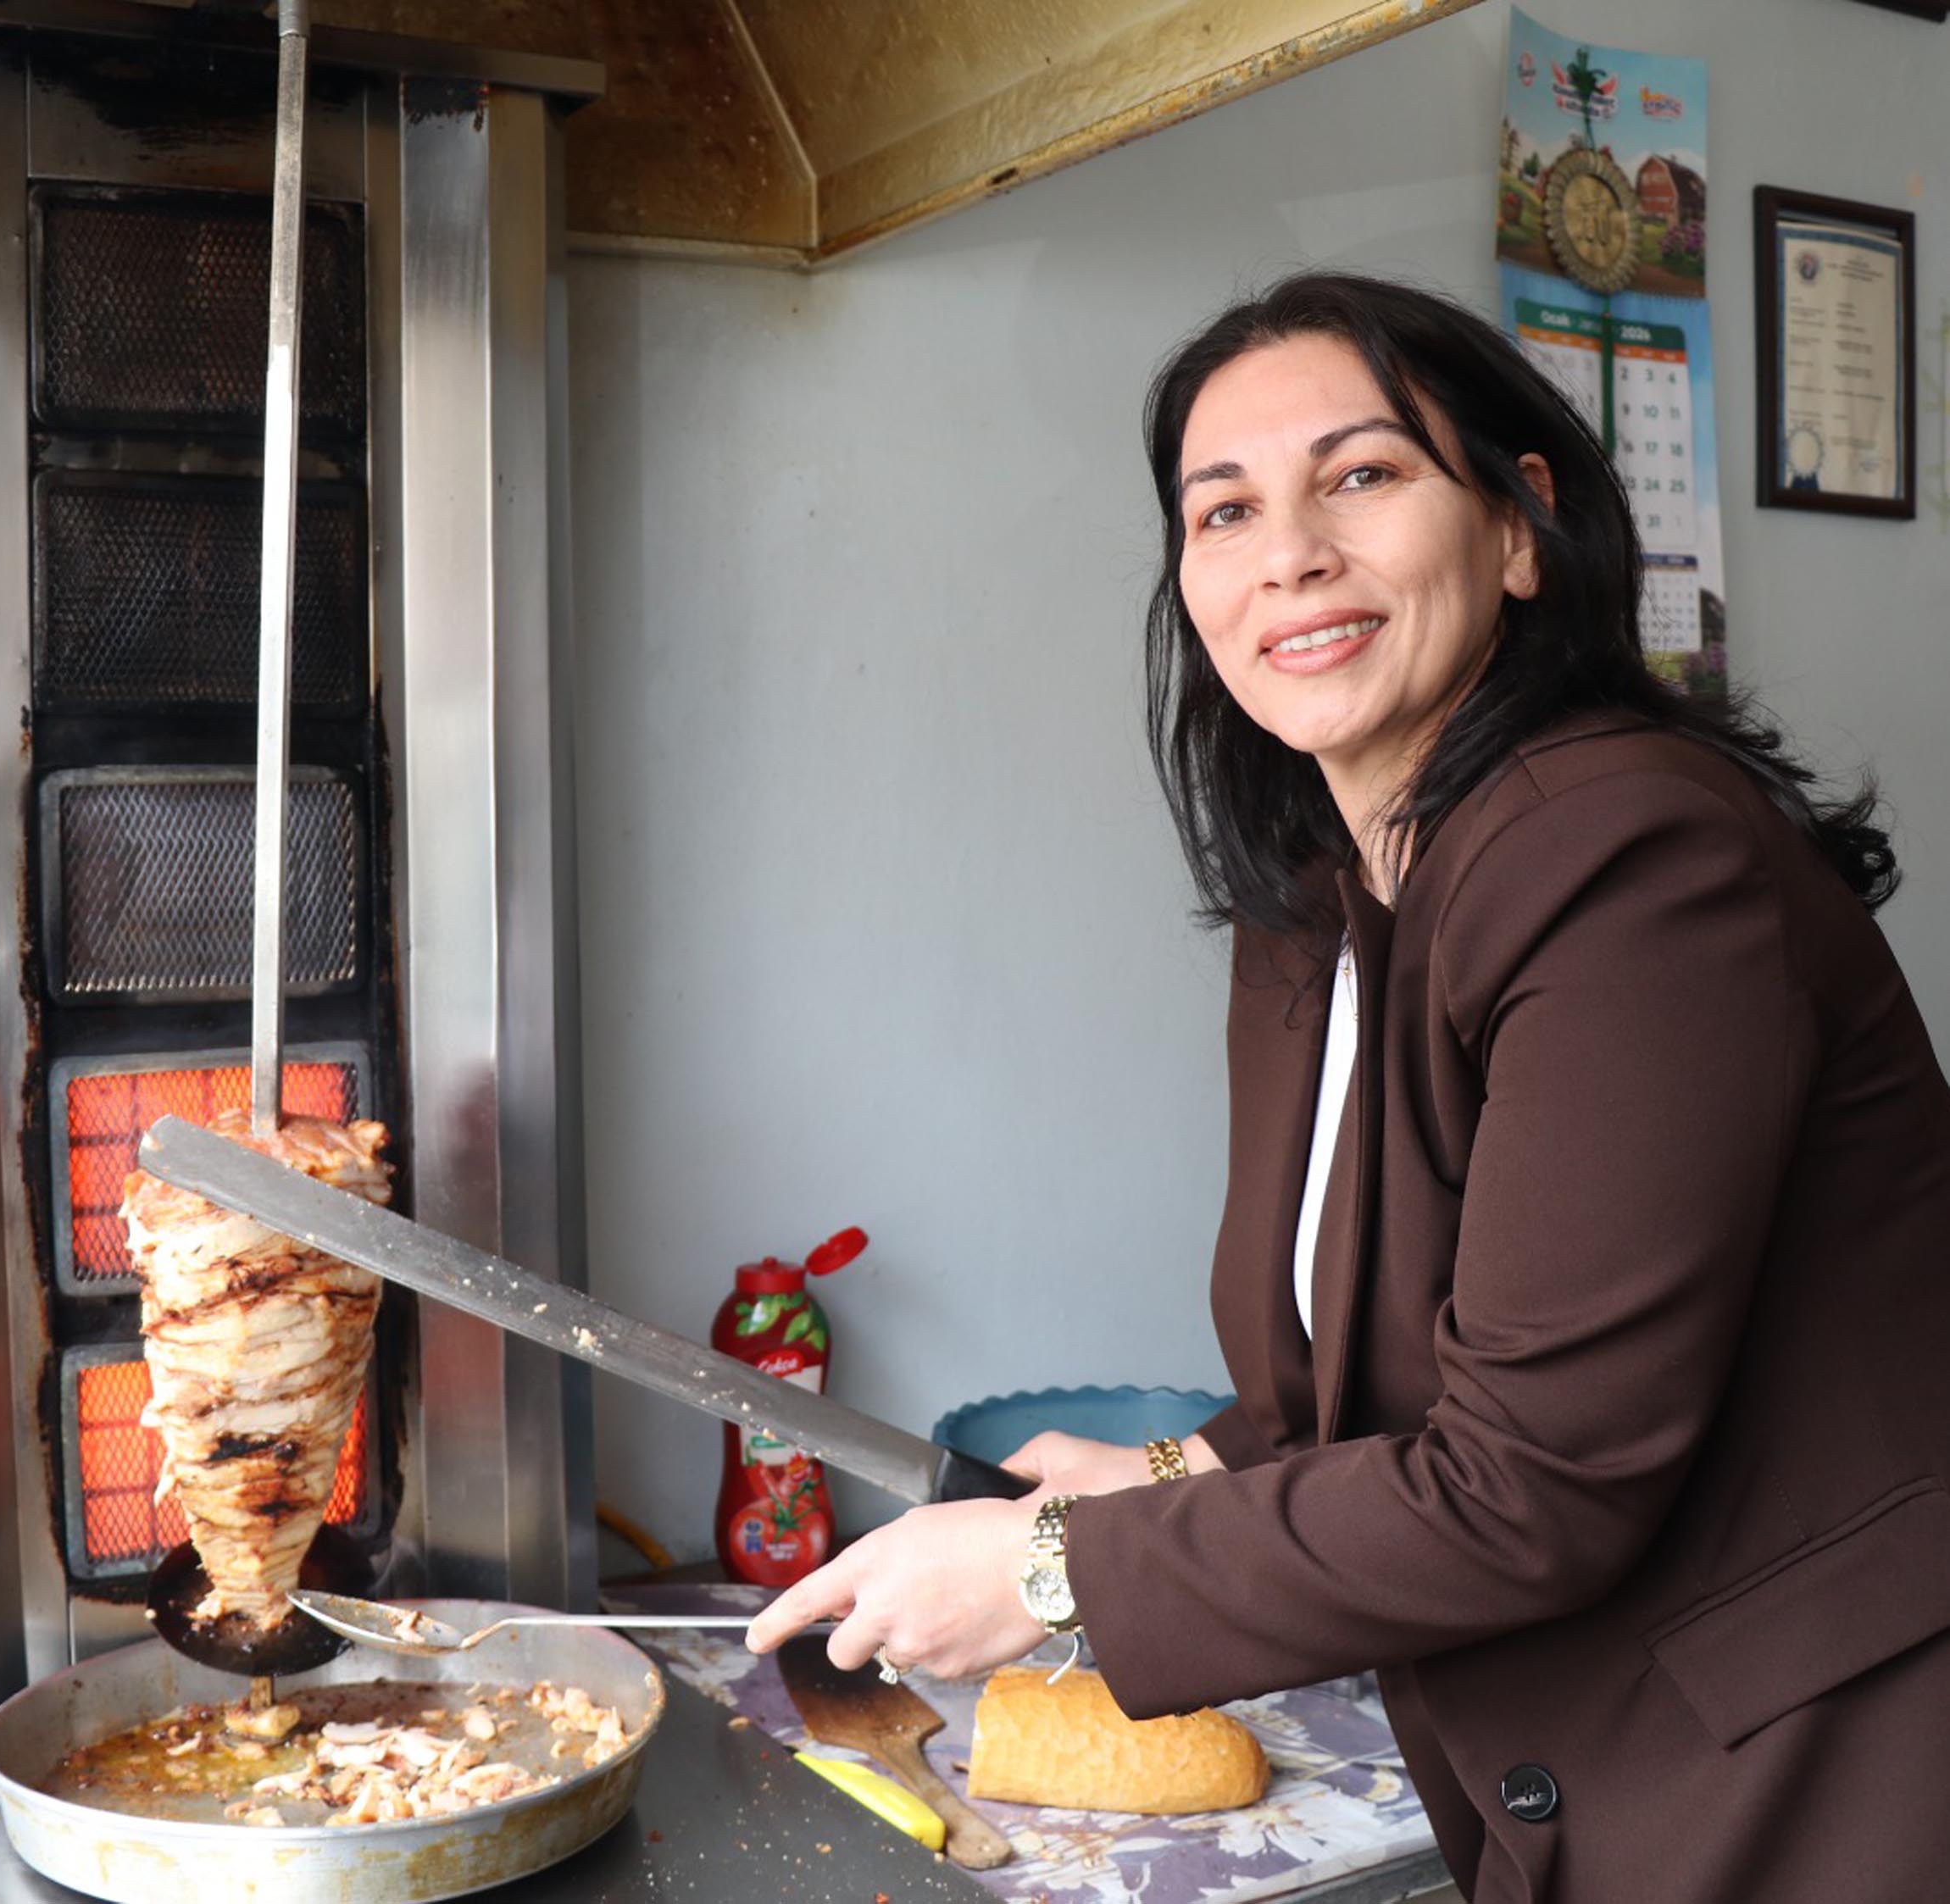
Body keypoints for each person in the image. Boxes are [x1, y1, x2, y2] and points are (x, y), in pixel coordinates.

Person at [746, 272, 1950, 1901]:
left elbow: (1534, 1481)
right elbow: (1385, 1375)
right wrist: (1171, 1472)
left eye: (1363, 475)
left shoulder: (1628, 860)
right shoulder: (1324, 905)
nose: (1289, 551)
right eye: (1223, 510)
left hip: (1824, 1781)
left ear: (1523, 530)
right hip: (1592, 1769)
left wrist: (1057, 1570)